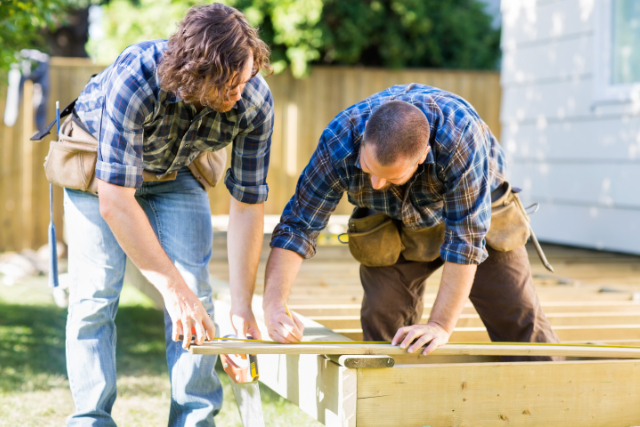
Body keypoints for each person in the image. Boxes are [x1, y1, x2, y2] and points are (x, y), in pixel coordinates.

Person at [64, 4, 273, 425]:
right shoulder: (136, 78)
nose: (240, 92)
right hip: (99, 173)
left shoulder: (253, 101)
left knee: (197, 290)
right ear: (195, 74)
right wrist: (171, 292)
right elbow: (115, 201)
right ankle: (91, 419)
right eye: (229, 84)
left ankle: (195, 419)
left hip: (176, 171)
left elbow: (249, 202)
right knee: (95, 296)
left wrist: (242, 307)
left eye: (247, 77)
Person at [262, 84, 562, 361]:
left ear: (422, 157)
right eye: (368, 168)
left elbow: (465, 242)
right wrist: (274, 304)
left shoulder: (459, 137)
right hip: (390, 220)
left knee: (519, 319)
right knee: (384, 322)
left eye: (391, 176)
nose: (376, 183)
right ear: (364, 136)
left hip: (480, 215)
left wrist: (440, 325)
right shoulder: (339, 142)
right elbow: (298, 227)